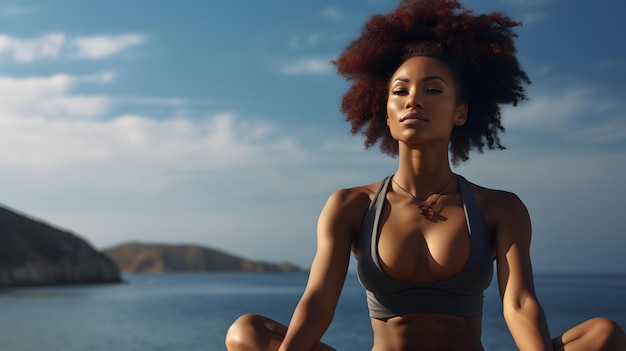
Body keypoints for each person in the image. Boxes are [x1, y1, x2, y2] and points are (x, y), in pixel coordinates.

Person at [224, 0, 626, 350]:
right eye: (400, 91)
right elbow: (318, 302)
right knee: (246, 332)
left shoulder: (500, 208)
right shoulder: (351, 205)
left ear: (461, 112)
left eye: (432, 90)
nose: (413, 100)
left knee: (603, 334)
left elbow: (519, 302)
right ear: (385, 112)